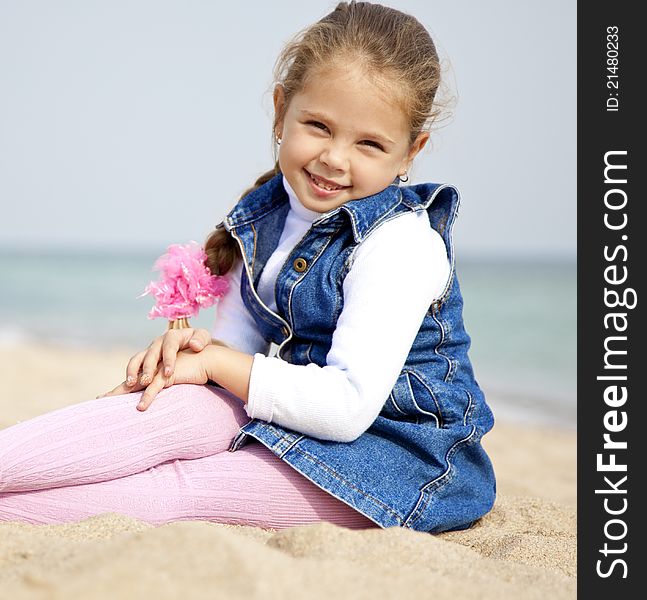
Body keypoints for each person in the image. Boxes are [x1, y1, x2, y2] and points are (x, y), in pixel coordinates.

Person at [0, 1, 495, 533]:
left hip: (393, 456)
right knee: (169, 412)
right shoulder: (264, 216)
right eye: (319, 126)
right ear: (282, 111)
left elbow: (347, 405)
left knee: (183, 490)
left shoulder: (400, 245)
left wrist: (215, 365)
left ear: (410, 152)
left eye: (369, 143)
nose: (335, 158)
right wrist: (192, 359)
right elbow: (235, 357)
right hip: (293, 415)